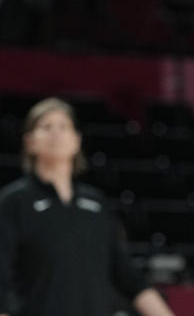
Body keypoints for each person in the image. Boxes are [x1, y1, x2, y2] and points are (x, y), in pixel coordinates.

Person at [0, 98, 175, 316]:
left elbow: (128, 277)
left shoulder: (97, 204)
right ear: (29, 141)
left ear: (76, 140)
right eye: (46, 127)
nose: (56, 133)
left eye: (64, 126)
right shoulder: (13, 201)